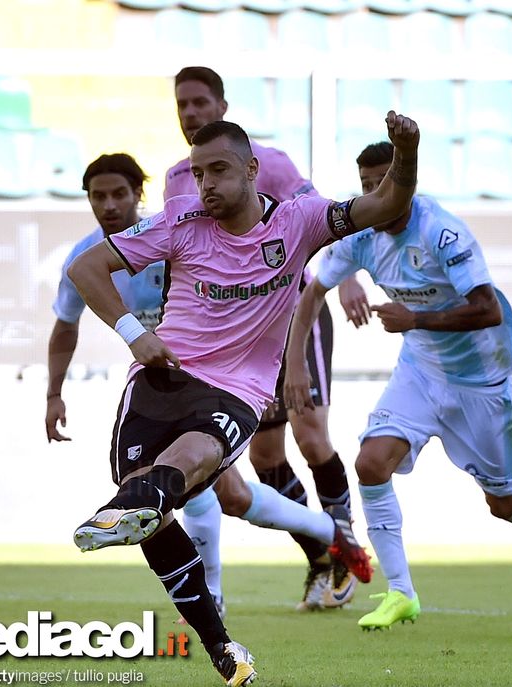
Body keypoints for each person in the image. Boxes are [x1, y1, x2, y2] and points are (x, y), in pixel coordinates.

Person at [68, 113, 420, 686]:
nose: (205, 184)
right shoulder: (179, 223)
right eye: (199, 172)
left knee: (191, 461)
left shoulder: (301, 221)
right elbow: (86, 267)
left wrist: (405, 155)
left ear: (253, 171)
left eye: (219, 171)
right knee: (154, 521)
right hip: (161, 379)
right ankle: (222, 646)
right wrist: (137, 334)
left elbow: (383, 207)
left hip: (236, 391)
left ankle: (148, 496)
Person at [46, 154, 361, 624]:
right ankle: (328, 534)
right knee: (228, 495)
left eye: (120, 194)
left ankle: (214, 593)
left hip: (224, 374)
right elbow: (65, 327)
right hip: (167, 380)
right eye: (98, 196)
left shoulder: (178, 232)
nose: (110, 205)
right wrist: (54, 392)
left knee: (195, 487)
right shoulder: (90, 255)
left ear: (140, 196)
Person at [283, 141, 512, 631]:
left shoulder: (441, 231)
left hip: (481, 379)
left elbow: (488, 309)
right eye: (365, 185)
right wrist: (295, 364)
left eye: (383, 183)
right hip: (420, 370)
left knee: (503, 502)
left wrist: (415, 316)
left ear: (405, 183)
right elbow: (313, 290)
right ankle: (401, 593)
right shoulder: (362, 234)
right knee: (371, 464)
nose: (373, 194)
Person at [165, 66, 368, 611]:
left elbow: (324, 218)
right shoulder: (176, 178)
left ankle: (347, 550)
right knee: (264, 457)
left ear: (223, 105)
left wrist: (344, 277)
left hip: (294, 314)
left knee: (311, 433)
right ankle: (322, 555)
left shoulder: (266, 163)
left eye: (200, 102)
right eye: (181, 104)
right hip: (236, 335)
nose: (190, 113)